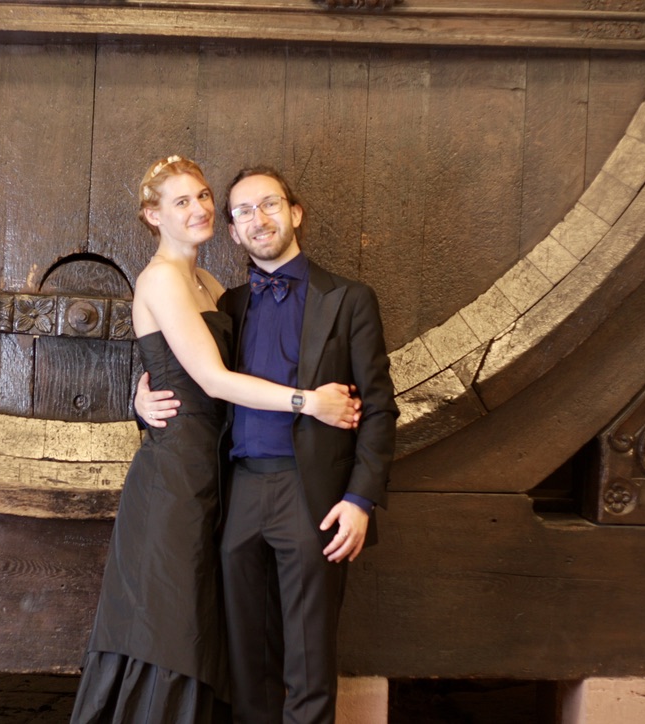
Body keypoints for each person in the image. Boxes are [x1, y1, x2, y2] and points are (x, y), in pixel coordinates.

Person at [71, 156, 360, 724]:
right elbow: (212, 380)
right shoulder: (160, 278)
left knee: (204, 630)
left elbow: (209, 375)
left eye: (203, 196)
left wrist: (141, 398)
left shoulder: (213, 287)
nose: (200, 208)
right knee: (170, 629)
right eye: (181, 201)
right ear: (153, 216)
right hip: (174, 480)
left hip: (220, 476)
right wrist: (308, 401)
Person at [136, 166, 398, 723]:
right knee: (245, 668)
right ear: (233, 231)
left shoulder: (349, 299)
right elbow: (190, 378)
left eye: (270, 204)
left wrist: (360, 500)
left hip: (314, 495)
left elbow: (379, 408)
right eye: (244, 211)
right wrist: (139, 402)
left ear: (295, 213)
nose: (259, 219)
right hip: (235, 494)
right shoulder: (226, 303)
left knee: (308, 662)